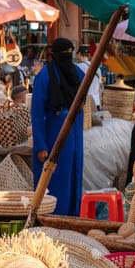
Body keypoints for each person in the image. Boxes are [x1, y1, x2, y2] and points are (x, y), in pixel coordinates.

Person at [31, 37, 84, 216]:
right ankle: (51, 219)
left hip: (75, 131)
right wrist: (41, 145)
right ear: (54, 54)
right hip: (54, 132)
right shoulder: (44, 76)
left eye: (70, 52)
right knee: (54, 180)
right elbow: (37, 111)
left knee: (73, 176)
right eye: (64, 53)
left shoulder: (78, 73)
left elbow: (82, 101)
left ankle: (72, 218)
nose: (67, 56)